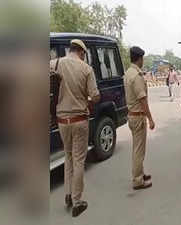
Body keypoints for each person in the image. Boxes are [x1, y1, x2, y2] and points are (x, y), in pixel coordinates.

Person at [50, 39, 100, 217]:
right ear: (81, 52)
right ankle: (78, 201)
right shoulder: (86, 68)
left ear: (69, 49)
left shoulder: (54, 63)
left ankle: (68, 194)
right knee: (79, 159)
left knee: (68, 157)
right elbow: (95, 97)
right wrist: (87, 98)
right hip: (79, 119)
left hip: (62, 121)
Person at [124, 46, 155, 190]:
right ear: (140, 58)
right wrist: (150, 118)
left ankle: (140, 173)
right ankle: (137, 180)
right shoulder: (136, 76)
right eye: (142, 58)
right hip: (138, 116)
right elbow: (142, 99)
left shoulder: (128, 73)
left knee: (138, 148)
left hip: (132, 115)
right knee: (139, 150)